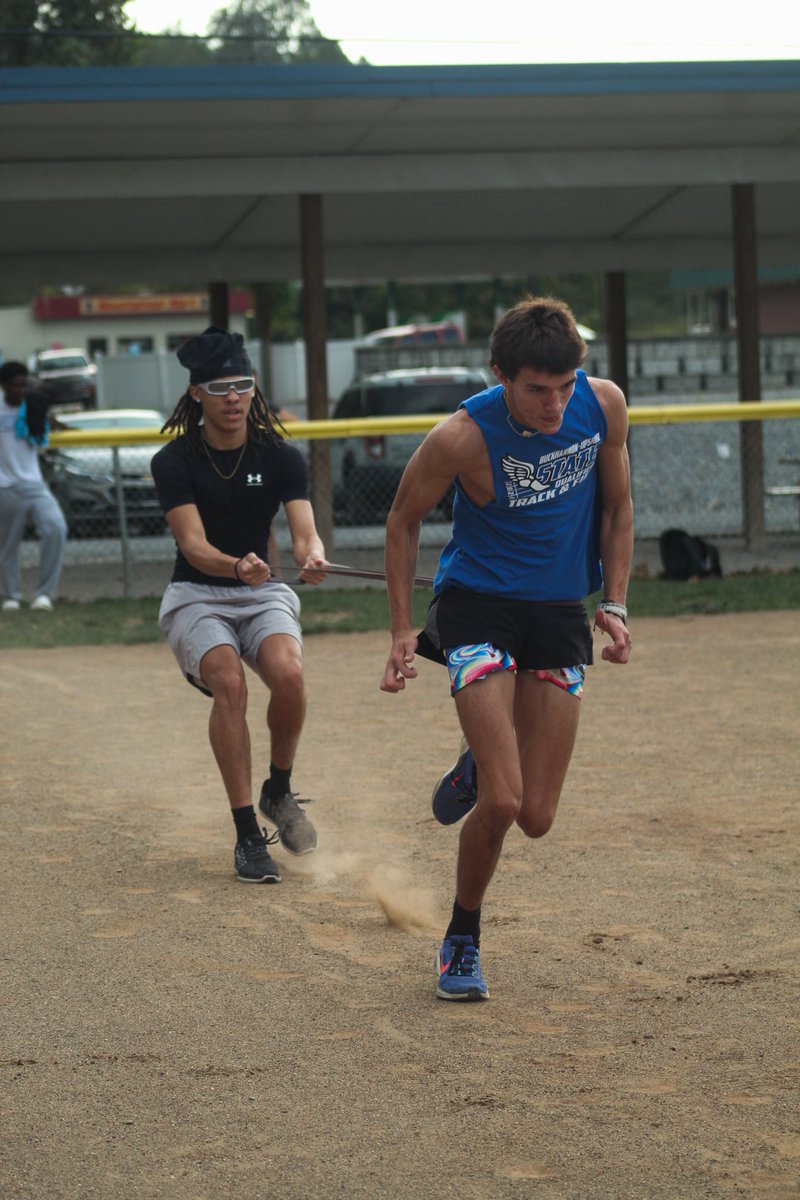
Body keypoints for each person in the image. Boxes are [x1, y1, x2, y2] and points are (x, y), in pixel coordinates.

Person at [380, 296, 633, 1002]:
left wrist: (614, 601)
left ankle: (478, 756)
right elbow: (402, 521)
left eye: (564, 387)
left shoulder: (603, 405)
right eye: (537, 390)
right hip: (478, 609)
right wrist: (402, 629)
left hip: (557, 611)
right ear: (500, 375)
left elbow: (618, 506)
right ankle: (461, 938)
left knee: (537, 817)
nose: (555, 406)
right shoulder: (461, 437)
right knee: (505, 797)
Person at [150, 326, 329, 884]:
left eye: (242, 386)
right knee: (230, 684)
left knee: (289, 676)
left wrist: (312, 555)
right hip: (197, 593)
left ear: (254, 390)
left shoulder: (280, 456)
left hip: (261, 589)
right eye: (219, 387)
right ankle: (248, 834)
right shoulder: (174, 460)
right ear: (196, 393)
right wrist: (235, 566)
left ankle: (278, 790)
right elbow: (194, 547)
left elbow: (304, 533)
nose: (233, 397)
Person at [0, 361, 68, 612]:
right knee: (7, 544)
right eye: (15, 385)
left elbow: (45, 432)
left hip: (33, 483)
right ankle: (11, 596)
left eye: (23, 385)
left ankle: (44, 594)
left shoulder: (32, 406)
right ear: (4, 385)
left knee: (55, 528)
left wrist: (50, 421)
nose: (20, 390)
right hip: (4, 486)